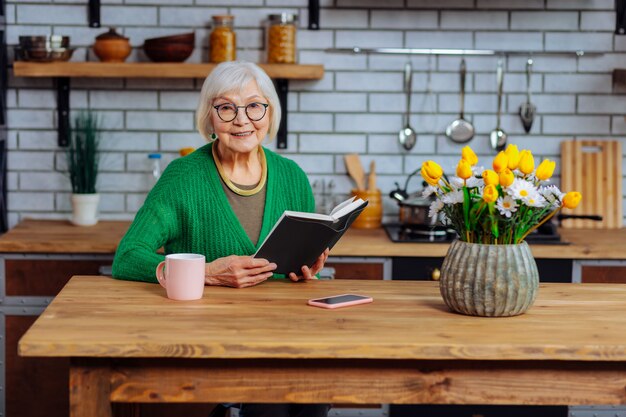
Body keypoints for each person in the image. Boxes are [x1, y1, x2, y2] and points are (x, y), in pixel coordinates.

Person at [112, 61, 330, 417]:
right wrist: (206, 273)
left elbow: (292, 277)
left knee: (315, 394)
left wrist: (305, 270)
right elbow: (127, 256)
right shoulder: (182, 177)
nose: (242, 120)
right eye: (226, 107)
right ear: (209, 117)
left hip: (285, 341)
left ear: (269, 113)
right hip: (207, 346)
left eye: (254, 106)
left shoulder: (292, 176)